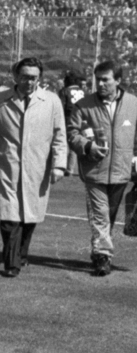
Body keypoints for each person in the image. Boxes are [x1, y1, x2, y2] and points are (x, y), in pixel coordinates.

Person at [0, 57, 68, 277]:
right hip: (8, 168)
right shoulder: (1, 100)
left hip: (37, 168)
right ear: (16, 76)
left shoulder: (51, 101)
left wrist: (59, 165)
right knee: (9, 216)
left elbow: (59, 136)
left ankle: (21, 253)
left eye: (33, 77)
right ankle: (12, 263)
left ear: (39, 78)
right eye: (24, 77)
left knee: (29, 216)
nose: (29, 82)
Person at [66, 60, 137, 276]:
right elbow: (72, 133)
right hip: (94, 172)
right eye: (98, 79)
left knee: (109, 217)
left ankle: (100, 250)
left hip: (121, 172)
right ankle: (102, 257)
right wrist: (88, 146)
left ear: (118, 80)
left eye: (106, 80)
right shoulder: (83, 105)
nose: (101, 84)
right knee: (100, 215)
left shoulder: (133, 104)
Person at [60, 70, 87, 176]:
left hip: (68, 118)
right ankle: (71, 169)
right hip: (82, 119)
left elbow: (61, 106)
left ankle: (62, 166)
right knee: (76, 144)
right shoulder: (83, 91)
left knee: (64, 143)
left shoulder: (65, 91)